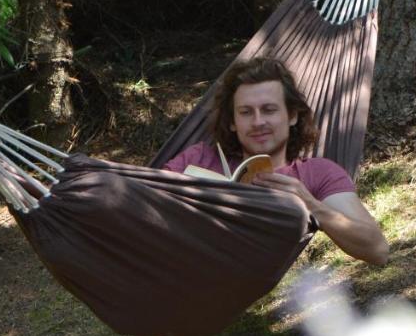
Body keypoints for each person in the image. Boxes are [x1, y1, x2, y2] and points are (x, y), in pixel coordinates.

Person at [164, 57, 390, 266]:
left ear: (292, 115)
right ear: (232, 122)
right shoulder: (199, 158)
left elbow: (377, 250)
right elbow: (144, 202)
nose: (258, 122)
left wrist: (310, 205)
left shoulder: (316, 174)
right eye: (245, 112)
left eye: (269, 110)